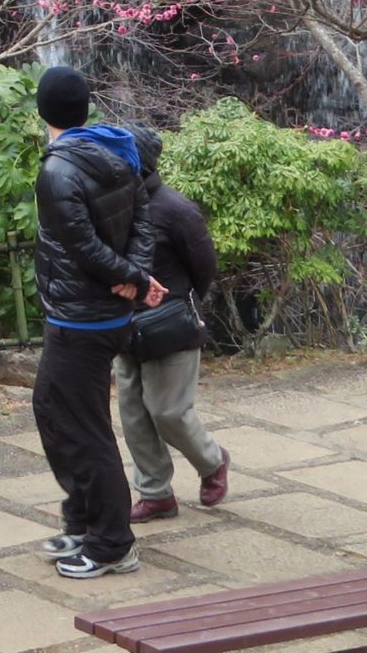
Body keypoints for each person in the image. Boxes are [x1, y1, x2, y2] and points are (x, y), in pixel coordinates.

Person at [29, 66, 161, 581]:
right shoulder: (117, 150)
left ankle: (112, 545)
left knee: (84, 430)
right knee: (53, 411)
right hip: (100, 312)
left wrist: (133, 278)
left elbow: (82, 246)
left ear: (42, 110)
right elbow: (144, 220)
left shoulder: (58, 171)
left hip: (81, 319)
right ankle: (83, 522)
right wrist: (135, 276)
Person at [117, 126, 230, 520]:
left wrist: (181, 302)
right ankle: (156, 494)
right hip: (125, 324)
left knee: (168, 412)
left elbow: (205, 267)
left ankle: (213, 461)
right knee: (134, 414)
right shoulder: (113, 207)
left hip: (170, 324)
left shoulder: (176, 210)